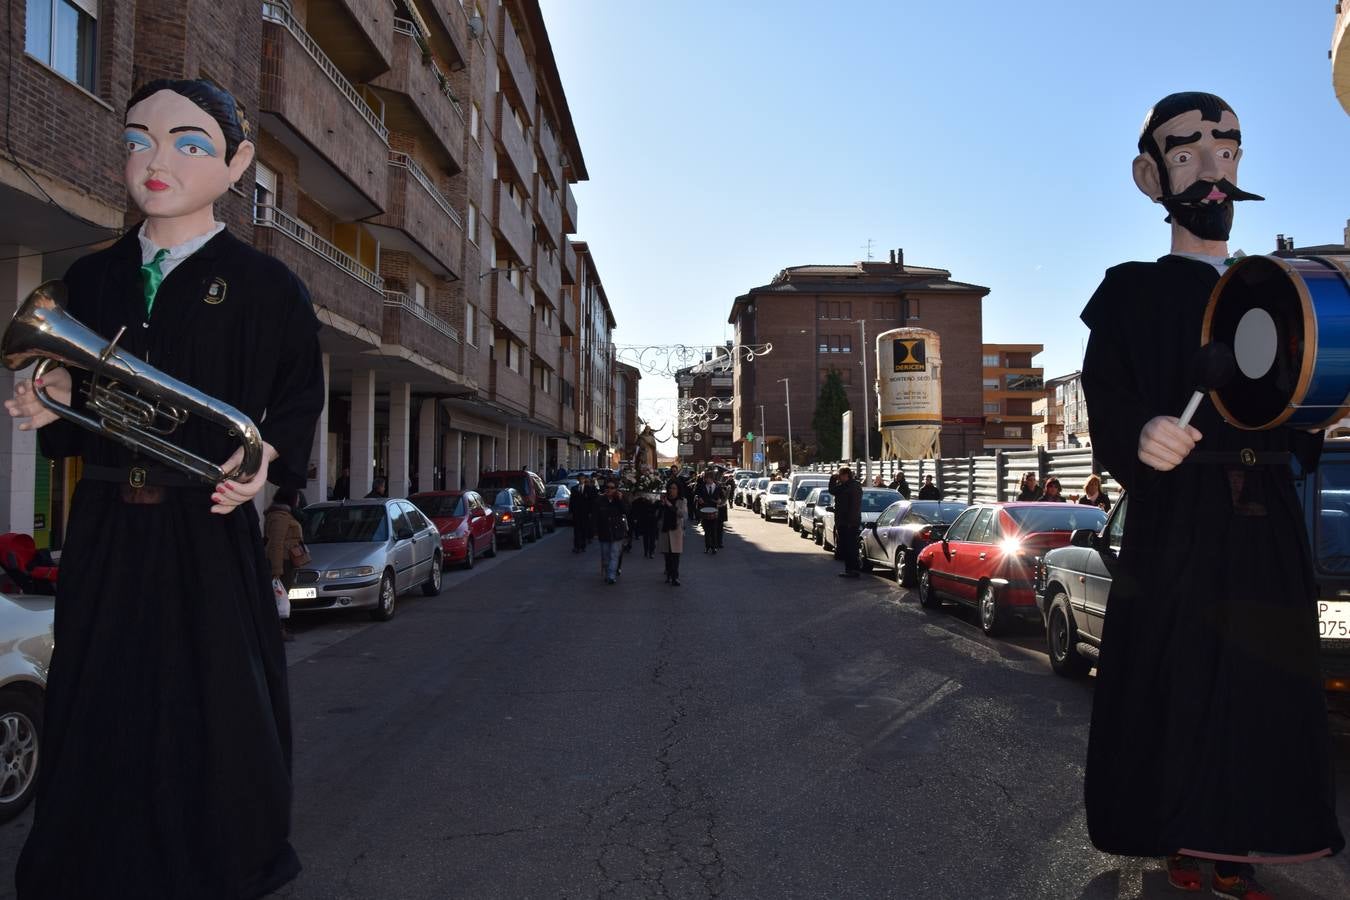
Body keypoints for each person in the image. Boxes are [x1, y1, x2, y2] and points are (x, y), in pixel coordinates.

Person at [5, 78, 322, 897]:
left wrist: (263, 460)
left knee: (213, 703)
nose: (156, 160)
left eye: (188, 143)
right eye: (137, 140)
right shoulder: (91, 278)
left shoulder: (268, 286)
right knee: (97, 694)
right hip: (106, 520)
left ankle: (217, 867)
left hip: (205, 523)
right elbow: (75, 403)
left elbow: (296, 398)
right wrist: (51, 397)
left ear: (238, 165)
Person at [1081, 90, 1342, 897]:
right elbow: (1108, 396)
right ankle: (1180, 839)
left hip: (1267, 525)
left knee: (1265, 684)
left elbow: (1296, 406)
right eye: (1187, 152)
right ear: (1149, 177)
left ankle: (1244, 844)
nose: (1212, 170)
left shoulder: (1278, 289)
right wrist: (1141, 433)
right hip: (1180, 520)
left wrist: (1325, 416)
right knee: (1181, 679)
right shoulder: (1129, 292)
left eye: (1226, 150)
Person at [264, 487, 307, 643]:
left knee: (282, 595)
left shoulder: (286, 513)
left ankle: (280, 628)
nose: (299, 500)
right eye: (297, 497)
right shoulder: (280, 516)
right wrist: (277, 569)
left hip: (287, 560)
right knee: (279, 596)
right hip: (283, 561)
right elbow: (276, 543)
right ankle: (278, 630)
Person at [593, 479, 629, 584]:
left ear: (616, 489)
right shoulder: (599, 500)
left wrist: (620, 500)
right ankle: (608, 572)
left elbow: (626, 511)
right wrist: (595, 531)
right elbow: (595, 517)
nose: (609, 489)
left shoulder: (619, 500)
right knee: (605, 556)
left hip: (617, 531)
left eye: (612, 488)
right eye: (607, 487)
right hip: (604, 531)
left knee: (614, 554)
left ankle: (611, 576)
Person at [832, 466, 863, 578]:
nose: (839, 478)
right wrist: (833, 479)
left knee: (850, 547)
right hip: (844, 522)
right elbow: (833, 491)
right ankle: (850, 569)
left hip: (849, 523)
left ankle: (852, 570)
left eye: (840, 475)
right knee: (847, 547)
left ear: (846, 475)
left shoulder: (853, 487)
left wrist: (850, 522)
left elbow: (854, 507)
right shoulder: (845, 486)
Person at [658, 482, 687, 586]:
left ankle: (675, 577)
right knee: (667, 555)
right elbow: (658, 514)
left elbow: (683, 514)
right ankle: (669, 575)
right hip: (665, 529)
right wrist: (661, 504)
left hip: (676, 530)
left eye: (674, 488)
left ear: (678, 490)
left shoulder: (682, 500)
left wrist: (670, 505)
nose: (672, 490)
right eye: (670, 488)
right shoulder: (664, 499)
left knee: (675, 555)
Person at [696, 470, 724, 554]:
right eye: (706, 478)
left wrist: (720, 500)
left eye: (708, 478)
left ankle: (714, 547)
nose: (706, 480)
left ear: (712, 478)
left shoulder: (718, 487)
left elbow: (722, 497)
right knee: (707, 530)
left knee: (714, 530)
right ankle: (707, 547)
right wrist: (699, 498)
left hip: (714, 511)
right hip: (704, 510)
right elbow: (696, 494)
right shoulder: (702, 486)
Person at [571, 475, 596, 552]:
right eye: (580, 479)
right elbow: (572, 501)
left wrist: (591, 512)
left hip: (585, 512)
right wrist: (571, 511)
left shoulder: (588, 489)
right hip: (576, 512)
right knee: (576, 530)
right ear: (578, 480)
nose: (581, 480)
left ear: (584, 480)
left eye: (582, 479)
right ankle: (576, 546)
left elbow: (591, 501)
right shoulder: (574, 488)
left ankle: (583, 545)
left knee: (584, 529)